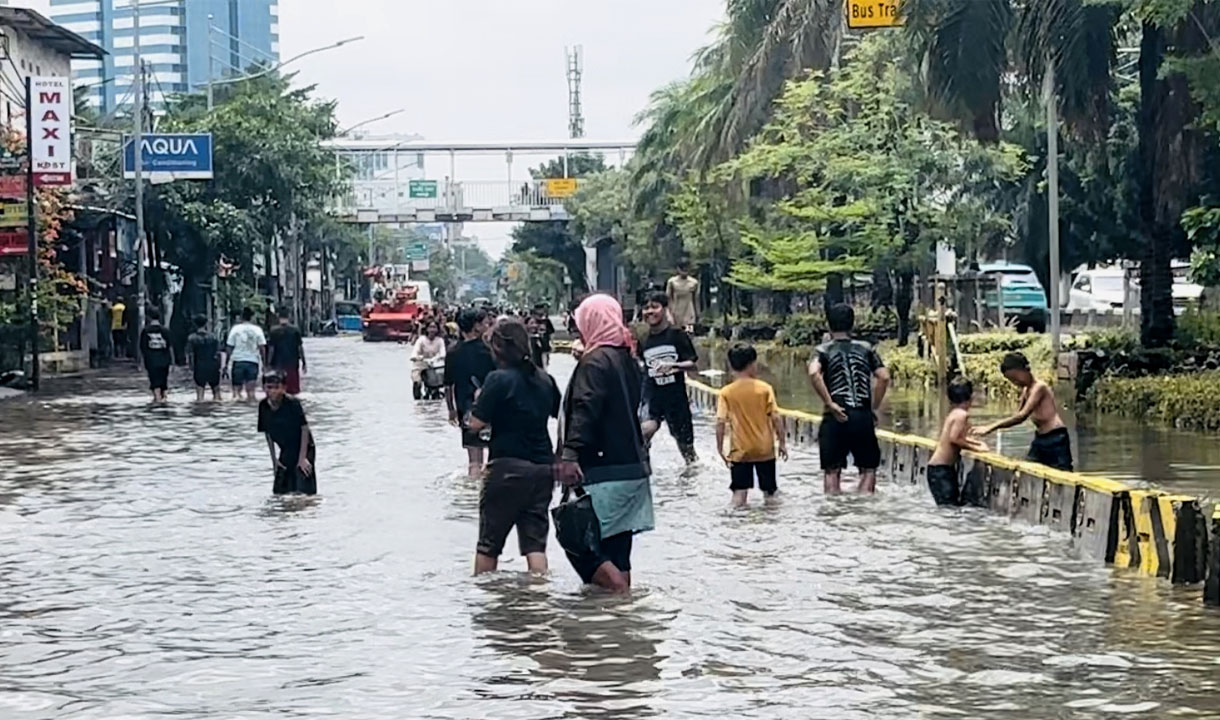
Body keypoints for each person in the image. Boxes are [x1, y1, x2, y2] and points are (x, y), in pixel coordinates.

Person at [557, 294, 654, 593]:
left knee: (581, 543)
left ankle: (620, 601)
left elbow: (586, 408)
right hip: (633, 467)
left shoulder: (595, 362)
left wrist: (570, 454)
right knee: (618, 549)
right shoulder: (628, 360)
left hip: (602, 470)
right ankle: (619, 625)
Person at [467, 318, 561, 575]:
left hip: (506, 468)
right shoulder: (545, 379)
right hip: (542, 469)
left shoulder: (497, 380)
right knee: (535, 546)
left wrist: (477, 402)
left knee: (489, 545)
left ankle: (486, 601)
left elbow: (475, 424)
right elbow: (561, 414)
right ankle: (538, 598)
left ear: (497, 347)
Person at [808, 303, 891, 494]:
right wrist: (872, 407)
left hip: (835, 415)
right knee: (868, 468)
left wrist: (829, 403)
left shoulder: (822, 350)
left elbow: (814, 373)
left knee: (832, 471)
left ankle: (835, 512)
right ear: (852, 325)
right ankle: (862, 510)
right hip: (861, 414)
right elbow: (884, 377)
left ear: (829, 326)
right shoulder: (867, 348)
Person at [716, 343, 787, 507]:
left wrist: (720, 448)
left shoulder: (726, 392)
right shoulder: (765, 389)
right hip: (765, 450)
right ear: (752, 364)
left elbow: (720, 422)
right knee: (770, 494)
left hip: (740, 452)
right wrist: (782, 443)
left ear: (732, 365)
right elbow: (776, 417)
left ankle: (735, 527)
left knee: (739, 494)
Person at [976, 352, 1073, 471]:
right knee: (1029, 469)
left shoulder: (1039, 387)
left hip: (1056, 438)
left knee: (1063, 473)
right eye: (1011, 381)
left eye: (1016, 378)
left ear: (1024, 370)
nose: (1015, 383)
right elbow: (1017, 416)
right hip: (1040, 438)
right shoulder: (1026, 390)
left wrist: (990, 427)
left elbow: (1022, 416)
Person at [640, 291, 698, 463]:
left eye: (654, 307)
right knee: (644, 433)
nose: (650, 311)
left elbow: (693, 365)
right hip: (652, 397)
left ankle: (689, 482)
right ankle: (645, 472)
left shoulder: (677, 335)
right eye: (646, 308)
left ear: (665, 309)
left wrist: (674, 366)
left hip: (676, 398)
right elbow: (640, 366)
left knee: (687, 451)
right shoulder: (643, 340)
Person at [444, 308, 496, 477]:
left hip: (465, 409)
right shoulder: (489, 350)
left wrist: (451, 410)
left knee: (474, 460)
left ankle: (470, 497)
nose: (487, 326)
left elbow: (448, 385)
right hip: (491, 406)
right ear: (476, 326)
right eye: (484, 323)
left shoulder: (453, 351)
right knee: (494, 457)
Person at [928, 378, 990, 506]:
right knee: (949, 508)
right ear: (971, 397)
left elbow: (957, 438)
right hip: (941, 470)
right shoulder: (962, 415)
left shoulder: (954, 413)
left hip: (938, 469)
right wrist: (976, 449)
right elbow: (954, 438)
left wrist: (976, 443)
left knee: (949, 507)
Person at [258, 371, 317, 495]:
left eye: (277, 387)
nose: (273, 391)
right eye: (269, 387)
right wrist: (274, 460)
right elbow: (267, 434)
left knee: (303, 490)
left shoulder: (292, 404)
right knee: (280, 491)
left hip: (304, 447)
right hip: (286, 449)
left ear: (284, 388)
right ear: (263, 388)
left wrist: (302, 458)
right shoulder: (263, 406)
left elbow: (304, 428)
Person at [226, 307, 266, 401]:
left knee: (236, 393)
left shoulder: (235, 329)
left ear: (241, 317)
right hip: (253, 362)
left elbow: (229, 347)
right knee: (251, 392)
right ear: (252, 317)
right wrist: (264, 363)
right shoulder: (257, 330)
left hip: (238, 362)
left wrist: (226, 363)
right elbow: (262, 348)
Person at [267, 310, 306, 395]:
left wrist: (268, 363)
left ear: (278, 317)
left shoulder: (274, 331)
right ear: (289, 317)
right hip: (292, 363)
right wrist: (304, 362)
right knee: (293, 390)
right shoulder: (295, 330)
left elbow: (271, 349)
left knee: (278, 388)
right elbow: (300, 348)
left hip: (278, 364)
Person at [138, 308, 173, 402]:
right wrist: (172, 362)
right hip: (164, 360)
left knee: (154, 381)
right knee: (163, 380)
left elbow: (143, 347)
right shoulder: (165, 330)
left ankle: (157, 400)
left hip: (151, 360)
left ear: (148, 317)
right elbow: (170, 346)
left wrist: (141, 363)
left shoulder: (146, 331)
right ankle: (164, 398)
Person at [186, 314, 223, 402]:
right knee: (217, 393)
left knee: (200, 395)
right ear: (206, 324)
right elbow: (218, 353)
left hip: (199, 366)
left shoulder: (192, 338)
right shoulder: (213, 337)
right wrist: (220, 366)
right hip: (213, 366)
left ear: (195, 324)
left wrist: (191, 367)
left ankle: (200, 410)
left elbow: (190, 354)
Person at [411, 320, 447, 400]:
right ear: (426, 329)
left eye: (434, 327)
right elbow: (414, 354)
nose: (432, 330)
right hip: (421, 363)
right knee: (417, 382)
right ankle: (417, 400)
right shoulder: (421, 340)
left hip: (436, 365)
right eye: (430, 327)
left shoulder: (440, 340)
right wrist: (420, 358)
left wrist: (435, 359)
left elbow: (443, 353)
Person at [666, 262, 699, 331]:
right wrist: (668, 313)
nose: (684, 272)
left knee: (688, 332)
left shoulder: (694, 282)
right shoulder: (672, 282)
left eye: (686, 269)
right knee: (676, 333)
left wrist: (697, 313)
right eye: (682, 269)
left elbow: (695, 299)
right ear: (678, 269)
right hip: (675, 311)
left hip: (689, 311)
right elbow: (668, 298)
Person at [531, 303, 556, 367]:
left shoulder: (546, 321)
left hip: (544, 345)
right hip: (533, 346)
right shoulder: (530, 321)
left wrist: (552, 343)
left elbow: (551, 332)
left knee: (544, 362)